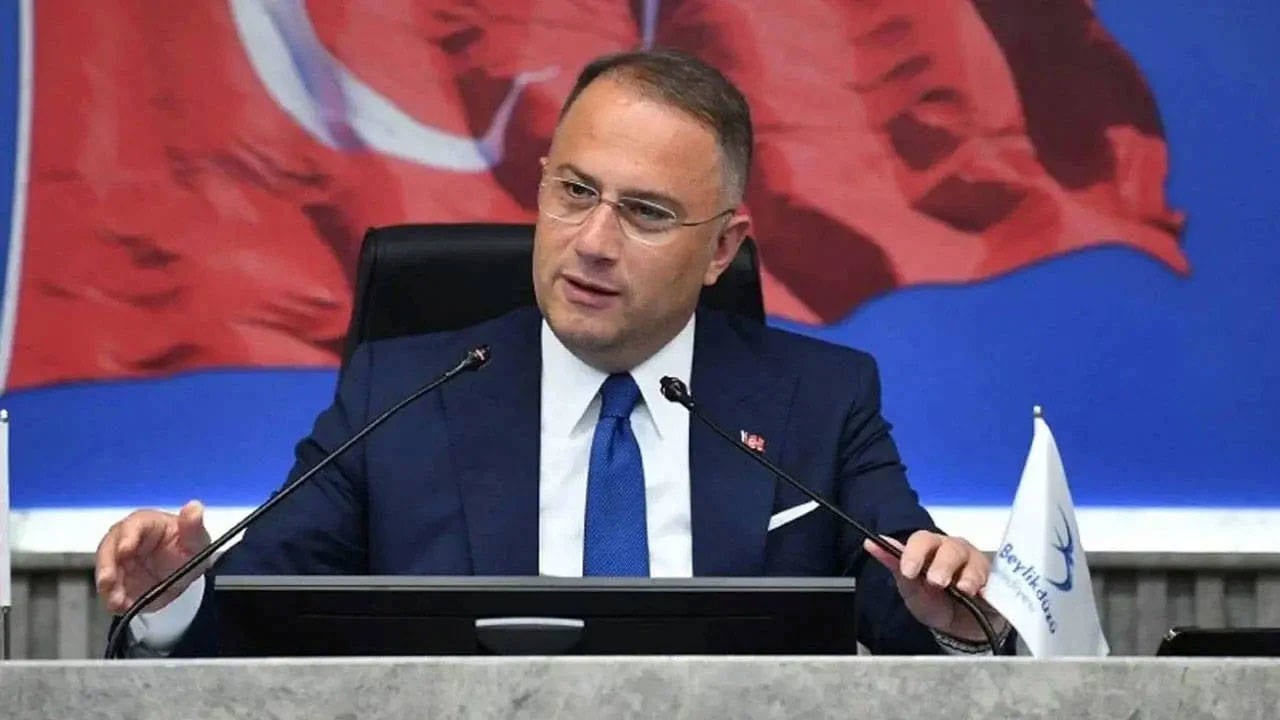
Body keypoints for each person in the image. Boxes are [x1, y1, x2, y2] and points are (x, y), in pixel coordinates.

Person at [94, 48, 1010, 655]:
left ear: (722, 249)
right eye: (575, 192)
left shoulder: (821, 401)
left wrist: (957, 615)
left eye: (646, 212)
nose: (594, 242)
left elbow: (919, 612)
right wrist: (174, 596)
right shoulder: (400, 395)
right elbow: (257, 618)